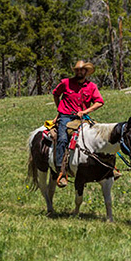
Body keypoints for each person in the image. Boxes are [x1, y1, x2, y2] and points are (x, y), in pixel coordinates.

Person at [52, 60, 105, 188]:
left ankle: (108, 169)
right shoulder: (66, 83)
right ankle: (61, 172)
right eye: (77, 70)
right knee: (63, 138)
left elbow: (99, 102)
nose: (79, 72)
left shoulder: (91, 86)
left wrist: (85, 111)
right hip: (66, 116)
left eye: (82, 70)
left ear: (86, 72)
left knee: (99, 135)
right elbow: (55, 93)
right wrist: (59, 109)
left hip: (82, 117)